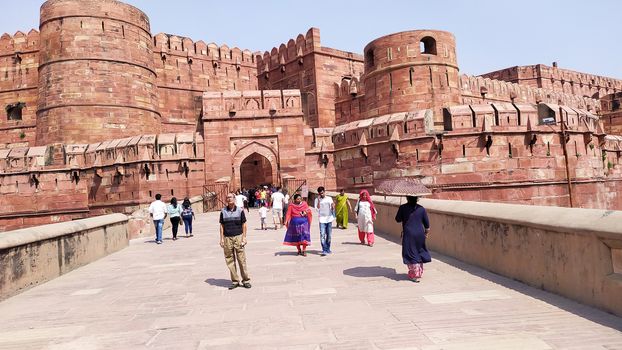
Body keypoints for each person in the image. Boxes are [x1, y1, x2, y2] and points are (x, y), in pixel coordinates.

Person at [395, 196, 431, 282]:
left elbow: (397, 219)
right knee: (419, 251)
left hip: (408, 233)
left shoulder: (403, 207)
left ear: (407, 198)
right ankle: (419, 271)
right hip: (420, 233)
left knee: (411, 252)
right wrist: (426, 233)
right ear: (417, 198)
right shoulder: (421, 209)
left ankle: (415, 274)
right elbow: (427, 224)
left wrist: (401, 210)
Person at [219, 193, 251, 290]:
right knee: (230, 260)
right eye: (227, 197)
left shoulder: (240, 210)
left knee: (241, 259)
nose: (229, 199)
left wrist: (244, 237)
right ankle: (235, 281)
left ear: (234, 199)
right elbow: (221, 226)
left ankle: (245, 280)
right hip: (227, 238)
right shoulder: (223, 211)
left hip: (238, 236)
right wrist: (221, 239)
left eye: (231, 197)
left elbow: (244, 224)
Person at [314, 186, 335, 256]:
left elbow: (332, 206)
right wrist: (319, 201)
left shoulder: (329, 198)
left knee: (329, 235)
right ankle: (324, 249)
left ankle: (328, 248)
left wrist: (333, 206)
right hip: (322, 220)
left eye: (322, 193)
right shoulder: (317, 199)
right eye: (320, 194)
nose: (321, 194)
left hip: (329, 219)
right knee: (322, 235)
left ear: (324, 192)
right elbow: (317, 209)